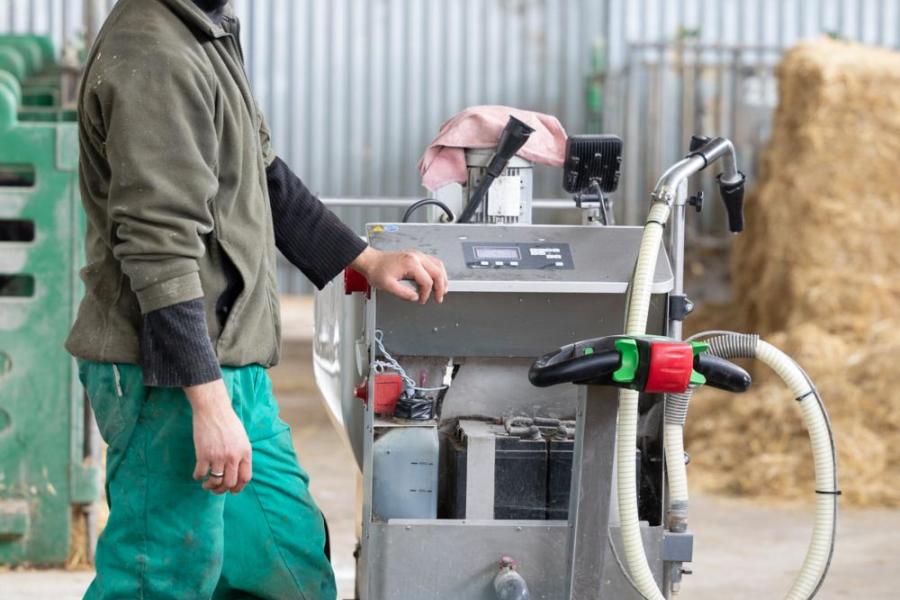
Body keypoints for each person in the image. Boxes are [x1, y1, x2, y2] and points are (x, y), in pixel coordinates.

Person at [65, 1, 448, 598]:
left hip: (230, 363)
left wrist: (365, 261)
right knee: (160, 576)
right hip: (166, 374)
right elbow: (160, 249)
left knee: (289, 569)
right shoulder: (154, 51)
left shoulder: (204, 33)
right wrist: (209, 405)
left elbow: (263, 175)